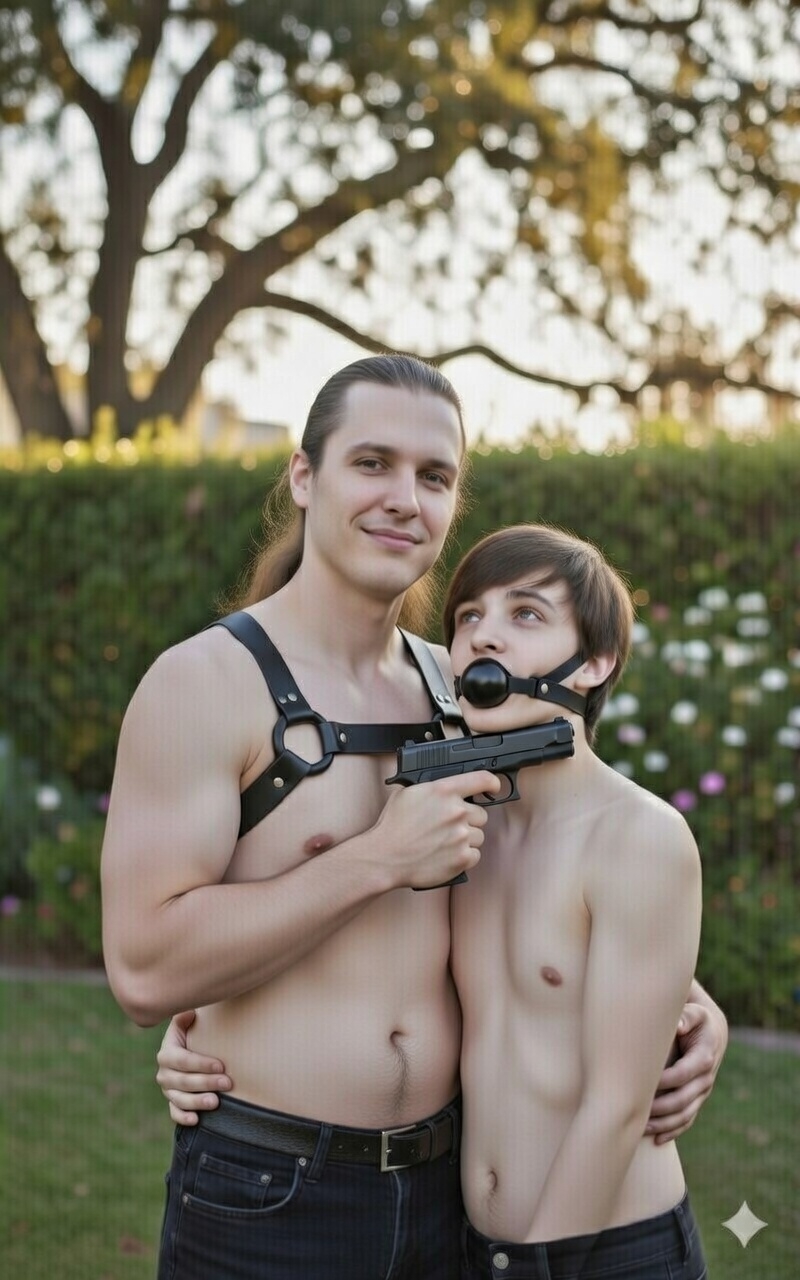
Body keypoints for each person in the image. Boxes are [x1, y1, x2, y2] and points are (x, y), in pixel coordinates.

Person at [103, 355, 725, 1280]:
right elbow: (143, 970)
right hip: (276, 1192)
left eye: (434, 476)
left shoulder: (464, 689)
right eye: (372, 463)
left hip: (449, 1198)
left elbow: (574, 872)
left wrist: (691, 1008)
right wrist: (376, 859)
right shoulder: (205, 684)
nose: (405, 498)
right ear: (305, 476)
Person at [443, 525, 707, 1278]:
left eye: (526, 614)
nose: (484, 634)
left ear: (596, 661)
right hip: (477, 1248)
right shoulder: (454, 832)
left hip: (609, 1253)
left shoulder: (639, 836)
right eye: (469, 616)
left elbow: (617, 1106)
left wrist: (533, 1268)